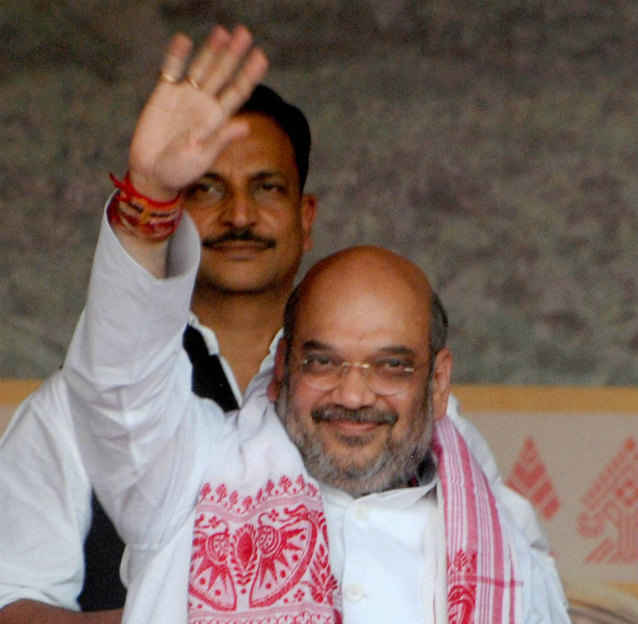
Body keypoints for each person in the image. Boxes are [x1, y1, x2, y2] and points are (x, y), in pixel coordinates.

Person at [61, 24, 570, 623]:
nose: (352, 395)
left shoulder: (504, 542)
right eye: (322, 362)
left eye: (391, 366)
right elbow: (118, 390)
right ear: (282, 367)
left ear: (437, 383)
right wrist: (149, 194)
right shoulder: (189, 478)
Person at [0, 26, 315, 624]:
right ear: (174, 207)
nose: (240, 215)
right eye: (207, 188)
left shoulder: (364, 400)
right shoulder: (77, 405)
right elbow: (9, 603)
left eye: (266, 188)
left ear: (307, 218)